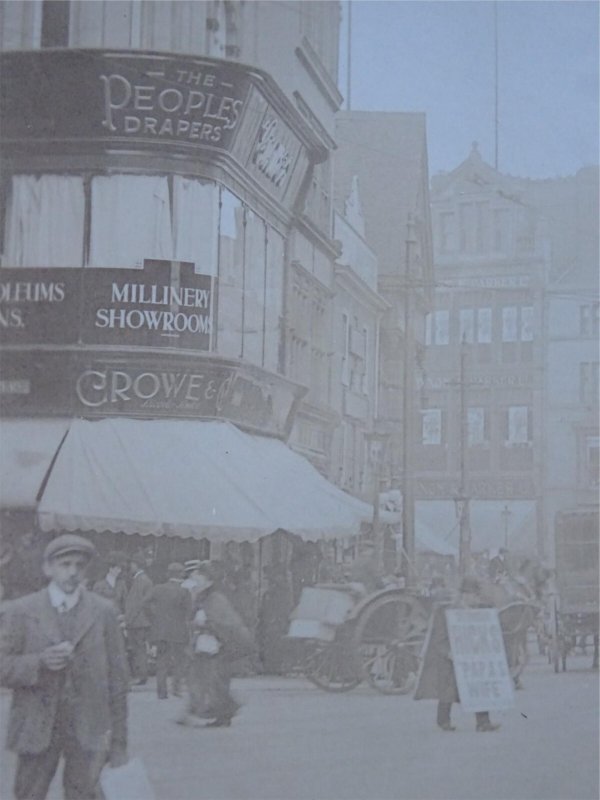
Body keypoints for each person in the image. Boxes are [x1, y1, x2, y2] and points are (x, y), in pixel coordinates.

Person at [0, 534, 129, 800]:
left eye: (79, 566)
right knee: (28, 795)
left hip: (88, 728)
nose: (72, 572)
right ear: (47, 568)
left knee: (86, 795)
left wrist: (118, 742)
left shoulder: (103, 612)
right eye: (65, 564)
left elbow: (118, 680)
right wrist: (38, 662)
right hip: (36, 728)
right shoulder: (20, 611)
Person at [414, 575, 501, 733]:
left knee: (479, 686)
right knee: (448, 690)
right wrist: (448, 653)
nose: (476, 599)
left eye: (477, 595)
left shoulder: (478, 612)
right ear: (465, 595)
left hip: (470, 656)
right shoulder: (447, 612)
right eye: (473, 595)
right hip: (450, 656)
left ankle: (483, 722)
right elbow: (439, 639)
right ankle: (443, 720)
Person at [178, 562, 254, 728]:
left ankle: (223, 711)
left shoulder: (215, 598)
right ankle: (220, 713)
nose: (194, 578)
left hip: (223, 645)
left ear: (208, 580)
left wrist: (204, 623)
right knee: (211, 678)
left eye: (198, 576)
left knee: (214, 679)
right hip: (216, 644)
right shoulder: (204, 596)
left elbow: (222, 622)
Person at [145, 562, 192, 699]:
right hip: (178, 632)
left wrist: (153, 617)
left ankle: (161, 692)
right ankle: (176, 689)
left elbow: (144, 603)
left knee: (161, 662)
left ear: (168, 574)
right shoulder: (184, 592)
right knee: (179, 662)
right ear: (181, 575)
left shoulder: (157, 588)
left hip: (160, 631)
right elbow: (189, 612)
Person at [124, 551, 153, 686]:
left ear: (137, 565)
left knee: (139, 649)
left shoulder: (141, 580)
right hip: (140, 621)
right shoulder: (143, 580)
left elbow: (136, 604)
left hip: (137, 622)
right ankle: (142, 674)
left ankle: (141, 675)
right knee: (139, 649)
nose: (130, 566)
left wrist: (128, 620)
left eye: (132, 564)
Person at [93, 550, 129, 618]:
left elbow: (125, 604)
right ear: (110, 568)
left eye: (120, 569)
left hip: (118, 620)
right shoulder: (99, 585)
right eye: (117, 568)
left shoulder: (122, 584)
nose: (119, 571)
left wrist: (124, 616)